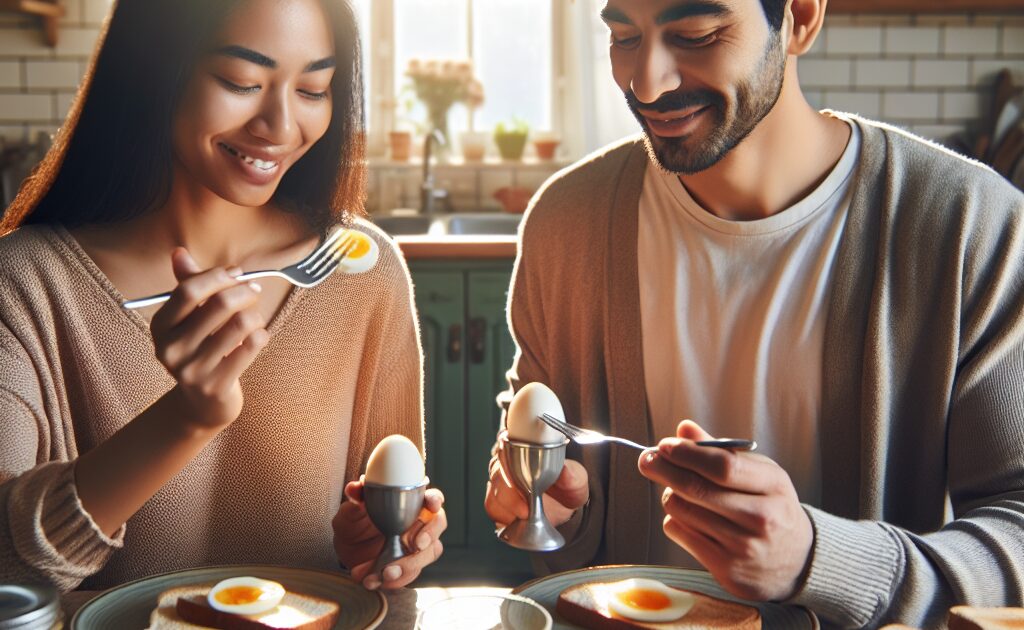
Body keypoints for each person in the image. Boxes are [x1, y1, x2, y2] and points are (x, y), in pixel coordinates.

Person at [484, 0, 1024, 627]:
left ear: (798, 19)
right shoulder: (567, 221)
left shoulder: (971, 227)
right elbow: (545, 477)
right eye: (624, 36)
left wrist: (817, 560)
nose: (647, 83)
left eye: (696, 34)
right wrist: (553, 506)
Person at [0, 0, 446, 593]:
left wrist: (380, 545)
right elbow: (6, 566)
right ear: (155, 68)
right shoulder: (27, 284)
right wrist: (184, 418)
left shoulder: (359, 270)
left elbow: (391, 515)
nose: (282, 127)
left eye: (314, 88)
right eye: (242, 82)